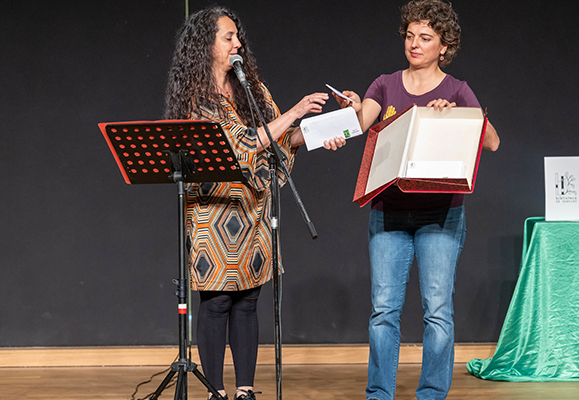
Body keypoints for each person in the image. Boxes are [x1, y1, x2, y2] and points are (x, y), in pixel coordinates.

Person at [164, 6, 341, 400]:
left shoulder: (252, 90)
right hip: (214, 212)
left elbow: (278, 141)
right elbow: (241, 144)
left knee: (247, 302)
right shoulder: (198, 98)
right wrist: (293, 112)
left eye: (236, 36)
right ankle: (216, 391)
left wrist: (317, 133)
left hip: (254, 212)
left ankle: (244, 391)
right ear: (203, 45)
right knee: (216, 302)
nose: (237, 43)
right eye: (227, 37)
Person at [327, 1, 500, 399]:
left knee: (438, 312)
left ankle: (431, 394)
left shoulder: (456, 89)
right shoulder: (384, 84)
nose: (415, 44)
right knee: (383, 312)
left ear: (444, 46)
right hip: (388, 214)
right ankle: (379, 395)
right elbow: (359, 124)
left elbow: (491, 142)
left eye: (426, 38)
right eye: (410, 36)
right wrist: (350, 112)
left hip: (442, 216)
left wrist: (458, 114)